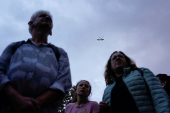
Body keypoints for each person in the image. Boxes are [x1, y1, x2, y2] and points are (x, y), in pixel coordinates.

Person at [0, 10, 72, 113]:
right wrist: (15, 97)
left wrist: (37, 103)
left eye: (50, 19)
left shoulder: (59, 53)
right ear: (31, 23)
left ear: (51, 31)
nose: (47, 18)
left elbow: (63, 81)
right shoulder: (15, 47)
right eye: (42, 16)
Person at [99, 51, 170, 113]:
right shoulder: (107, 89)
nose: (117, 58)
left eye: (120, 56)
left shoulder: (142, 72)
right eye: (114, 58)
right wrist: (102, 110)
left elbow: (159, 96)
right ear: (110, 65)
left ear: (127, 61)